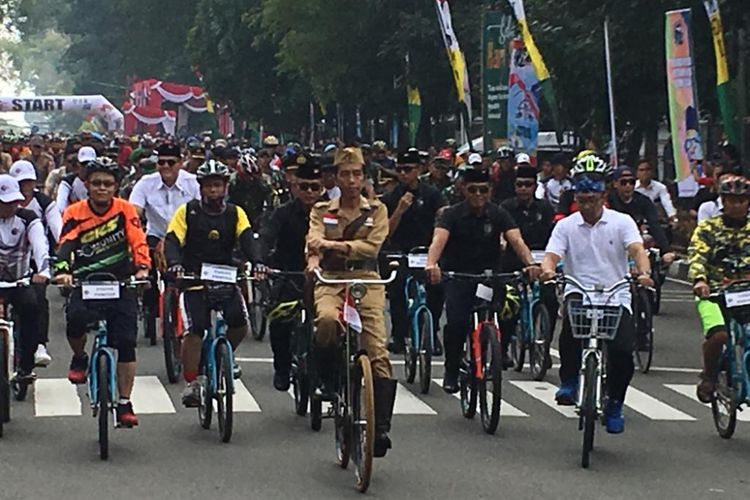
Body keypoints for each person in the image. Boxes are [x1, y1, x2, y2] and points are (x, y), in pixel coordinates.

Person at [539, 153, 654, 434]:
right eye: (581, 188)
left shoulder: (622, 221)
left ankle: (615, 403)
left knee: (623, 353)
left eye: (593, 188)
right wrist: (548, 270)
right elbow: (552, 255)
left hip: (616, 295)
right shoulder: (565, 226)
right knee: (570, 332)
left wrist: (644, 272)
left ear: (604, 191)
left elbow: (637, 250)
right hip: (580, 290)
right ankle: (568, 382)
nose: (587, 195)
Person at [306, 146, 396, 458]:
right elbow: (312, 241)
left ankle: (380, 427)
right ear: (336, 177)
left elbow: (371, 247)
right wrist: (315, 260)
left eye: (357, 174)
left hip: (367, 281)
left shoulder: (377, 211)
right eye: (345, 174)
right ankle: (328, 380)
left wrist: (333, 244)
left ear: (363, 177)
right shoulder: (321, 210)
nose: (351, 180)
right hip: (331, 279)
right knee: (327, 321)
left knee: (378, 351)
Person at [425, 167, 541, 393]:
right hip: (459, 276)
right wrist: (432, 264)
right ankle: (451, 369)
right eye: (472, 190)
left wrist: (530, 264)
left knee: (510, 307)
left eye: (483, 190)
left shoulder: (498, 213)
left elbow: (516, 240)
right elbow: (438, 241)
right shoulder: (451, 215)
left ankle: (499, 351)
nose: (478, 195)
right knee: (456, 323)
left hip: (488, 278)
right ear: (463, 190)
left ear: (490, 191)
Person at [55, 158, 151, 427]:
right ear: (86, 185)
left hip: (120, 282)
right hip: (86, 282)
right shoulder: (75, 212)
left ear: (116, 187)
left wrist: (142, 268)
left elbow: (138, 239)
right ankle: (80, 357)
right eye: (96, 183)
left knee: (127, 342)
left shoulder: (125, 210)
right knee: (74, 320)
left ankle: (124, 403)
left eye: (107, 184)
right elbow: (65, 244)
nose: (101, 189)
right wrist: (63, 270)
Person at [163, 159, 257, 407]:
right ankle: (193, 382)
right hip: (194, 279)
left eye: (217, 186)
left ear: (226, 187)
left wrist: (258, 263)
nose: (213, 191)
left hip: (225, 276)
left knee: (240, 324)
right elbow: (172, 240)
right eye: (208, 186)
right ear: (201, 188)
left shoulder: (236, 213)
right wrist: (174, 263)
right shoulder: (188, 211)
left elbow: (248, 240)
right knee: (195, 330)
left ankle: (224, 356)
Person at [257, 159, 323, 390]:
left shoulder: (331, 211)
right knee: (278, 319)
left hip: (324, 277)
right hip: (288, 273)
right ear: (295, 186)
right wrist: (261, 263)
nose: (309, 192)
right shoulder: (282, 213)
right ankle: (282, 367)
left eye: (315, 187)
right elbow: (266, 237)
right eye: (304, 186)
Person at [689, 175, 750, 403]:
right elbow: (697, 255)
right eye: (732, 200)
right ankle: (710, 376)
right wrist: (700, 280)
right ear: (722, 201)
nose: (737, 205)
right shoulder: (708, 229)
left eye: (742, 200)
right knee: (719, 335)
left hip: (747, 291)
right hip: (715, 292)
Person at [381, 148, 445, 355]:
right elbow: (385, 233)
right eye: (399, 169)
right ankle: (399, 335)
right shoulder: (391, 197)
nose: (403, 174)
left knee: (436, 287)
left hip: (426, 252)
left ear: (418, 170)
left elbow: (442, 223)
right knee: (397, 289)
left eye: (408, 169)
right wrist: (399, 210)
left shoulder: (432, 194)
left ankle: (432, 332)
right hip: (399, 252)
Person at [501, 163, 558, 361]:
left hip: (542, 259)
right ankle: (504, 348)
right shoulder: (506, 207)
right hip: (513, 261)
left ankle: (544, 345)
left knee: (550, 300)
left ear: (534, 187)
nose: (523, 189)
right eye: (519, 185)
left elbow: (554, 236)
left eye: (528, 185)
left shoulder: (545, 208)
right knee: (510, 304)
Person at [9, 160, 62, 367]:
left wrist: (58, 253)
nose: (24, 188)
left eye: (28, 182)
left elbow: (56, 230)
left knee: (37, 297)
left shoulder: (43, 203)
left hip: (34, 258)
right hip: (6, 259)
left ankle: (39, 343)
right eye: (20, 183)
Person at [0, 174, 50, 384]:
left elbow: (40, 246)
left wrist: (44, 271)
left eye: (13, 201)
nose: (10, 206)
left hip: (20, 281)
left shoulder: (28, 218)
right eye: (4, 202)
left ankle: (26, 366)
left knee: (31, 308)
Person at [607, 166, 675, 266]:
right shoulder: (608, 200)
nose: (628, 186)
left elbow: (654, 224)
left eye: (632, 182)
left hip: (635, 242)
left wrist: (666, 250)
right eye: (623, 182)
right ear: (615, 184)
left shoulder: (644, 201)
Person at [228, 150, 275, 227]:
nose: (251, 179)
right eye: (247, 176)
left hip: (258, 216)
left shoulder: (264, 181)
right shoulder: (232, 182)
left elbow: (270, 204)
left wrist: (264, 218)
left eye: (254, 175)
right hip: (237, 215)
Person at [635, 159, 678, 224]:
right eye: (641, 170)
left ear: (652, 172)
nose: (645, 173)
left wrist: (673, 218)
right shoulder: (632, 187)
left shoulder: (660, 187)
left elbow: (667, 203)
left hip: (655, 221)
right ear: (637, 173)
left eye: (647, 170)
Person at [56, 145, 94, 213]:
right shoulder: (68, 181)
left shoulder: (98, 182)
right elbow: (60, 205)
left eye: (90, 164)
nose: (87, 167)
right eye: (84, 164)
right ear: (78, 164)